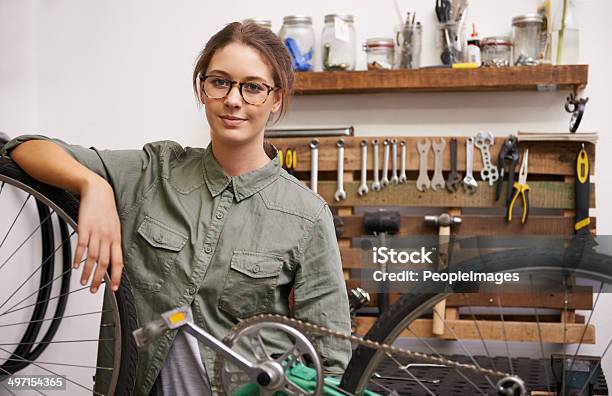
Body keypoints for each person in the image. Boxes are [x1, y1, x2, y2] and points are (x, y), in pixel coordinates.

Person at [1, 21, 351, 396]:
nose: (234, 100)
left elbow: (329, 363)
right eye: (220, 81)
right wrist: (93, 184)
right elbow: (24, 148)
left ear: (276, 99)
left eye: (252, 88)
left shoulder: (307, 215)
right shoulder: (153, 171)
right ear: (203, 88)